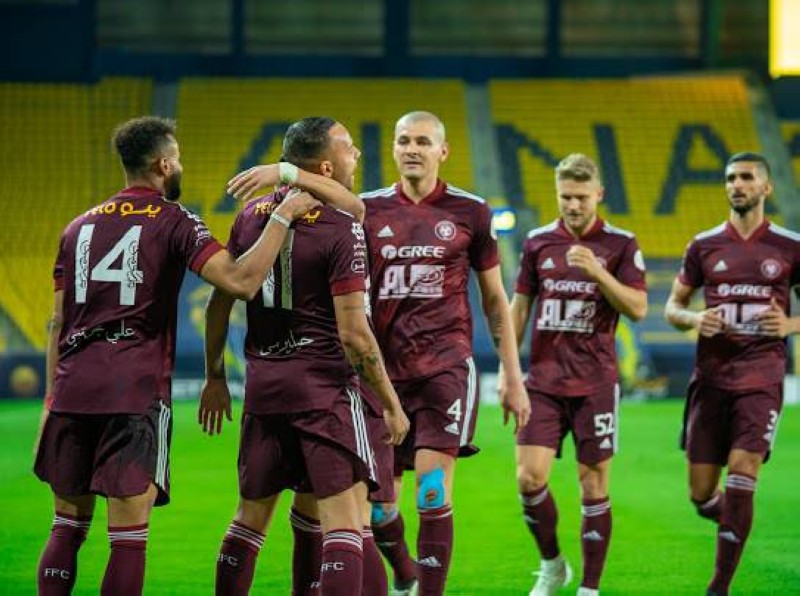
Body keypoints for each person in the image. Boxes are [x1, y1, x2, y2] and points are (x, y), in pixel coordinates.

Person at [33, 115, 357, 596]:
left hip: (71, 387)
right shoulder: (174, 219)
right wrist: (283, 217)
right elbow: (240, 282)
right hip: (132, 389)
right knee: (126, 538)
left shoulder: (76, 227)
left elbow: (56, 322)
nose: (180, 165)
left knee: (66, 527)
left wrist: (49, 400)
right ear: (164, 165)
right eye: (179, 158)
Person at [200, 116, 410, 596]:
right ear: (326, 167)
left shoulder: (250, 217)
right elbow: (355, 336)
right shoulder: (342, 227)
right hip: (324, 392)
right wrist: (390, 403)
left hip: (264, 389)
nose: (357, 154)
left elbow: (218, 303)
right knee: (346, 524)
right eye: (349, 147)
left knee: (249, 520)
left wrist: (215, 376)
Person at [359, 110, 531, 596]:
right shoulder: (366, 210)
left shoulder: (471, 211)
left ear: (443, 150)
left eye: (422, 141)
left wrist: (512, 374)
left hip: (445, 368)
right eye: (403, 140)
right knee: (380, 507)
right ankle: (405, 573)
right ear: (393, 148)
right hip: (381, 375)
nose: (412, 149)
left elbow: (495, 299)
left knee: (432, 492)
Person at [508, 153, 648, 596]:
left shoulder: (621, 244)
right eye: (565, 196)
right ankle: (552, 564)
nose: (572, 205)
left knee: (593, 484)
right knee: (529, 478)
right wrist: (509, 372)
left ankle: (589, 587)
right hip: (543, 382)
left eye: (581, 197)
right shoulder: (538, 242)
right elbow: (520, 309)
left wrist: (598, 272)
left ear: (598, 194)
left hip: (596, 384)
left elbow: (638, 308)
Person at [664, 152, 800, 596]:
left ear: (766, 188)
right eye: (730, 178)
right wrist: (694, 319)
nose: (737, 184)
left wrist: (790, 325)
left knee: (743, 473)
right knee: (701, 495)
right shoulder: (704, 245)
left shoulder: (789, 246)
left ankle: (718, 587)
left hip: (761, 379)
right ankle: (735, 521)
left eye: (746, 177)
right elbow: (672, 307)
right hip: (710, 381)